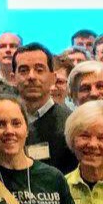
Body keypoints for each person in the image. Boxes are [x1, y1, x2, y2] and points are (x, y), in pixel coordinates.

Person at [11, 44, 77, 172]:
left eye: (39, 70)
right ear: (13, 78)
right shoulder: (1, 122)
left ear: (53, 78)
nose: (31, 76)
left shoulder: (70, 123)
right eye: (24, 70)